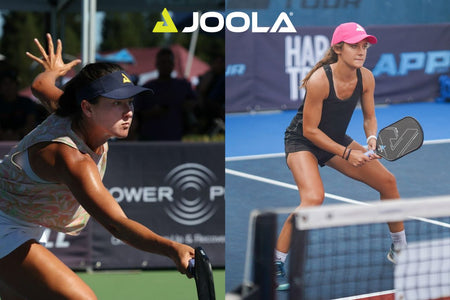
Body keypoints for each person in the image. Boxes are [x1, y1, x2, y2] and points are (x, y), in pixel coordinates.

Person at [0, 34, 194, 299]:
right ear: (87, 108)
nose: (128, 112)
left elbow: (40, 85)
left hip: (23, 221)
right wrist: (172, 249)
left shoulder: (74, 112)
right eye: (116, 103)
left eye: (130, 102)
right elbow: (117, 225)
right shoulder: (72, 159)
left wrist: (53, 71)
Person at [275, 22, 407, 290]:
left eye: (364, 46)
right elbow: (311, 131)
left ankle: (399, 249)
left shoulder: (365, 77)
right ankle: (275, 262)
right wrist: (347, 153)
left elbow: (369, 117)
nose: (361, 51)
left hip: (334, 139)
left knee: (388, 182)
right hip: (302, 142)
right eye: (354, 45)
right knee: (313, 198)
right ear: (338, 48)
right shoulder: (320, 80)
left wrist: (371, 139)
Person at [132, 47, 198, 141]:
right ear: (157, 64)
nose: (166, 65)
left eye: (169, 62)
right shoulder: (147, 88)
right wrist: (152, 112)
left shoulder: (183, 86)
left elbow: (197, 103)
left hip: (175, 137)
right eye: (163, 62)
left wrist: (188, 106)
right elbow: (136, 115)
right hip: (150, 138)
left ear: (173, 65)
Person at [0, 64, 47, 140]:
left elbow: (30, 125)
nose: (8, 87)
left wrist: (18, 135)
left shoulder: (26, 103)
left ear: (16, 85)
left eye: (11, 83)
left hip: (22, 141)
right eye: (5, 84)